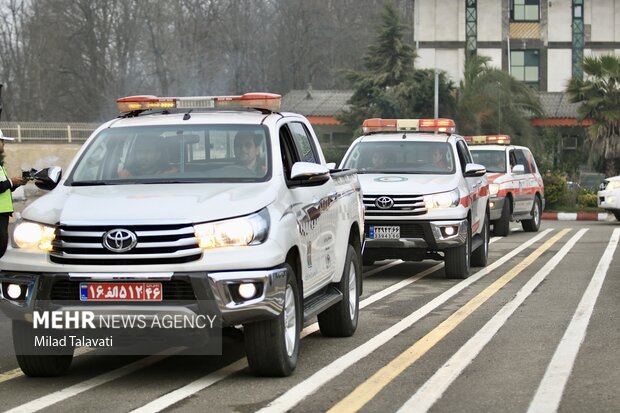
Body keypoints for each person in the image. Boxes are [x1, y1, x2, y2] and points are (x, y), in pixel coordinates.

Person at [0, 129, 28, 257]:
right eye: (1, 141)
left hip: (3, 214)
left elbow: (3, 188)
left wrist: (15, 184)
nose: (3, 144)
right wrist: (11, 182)